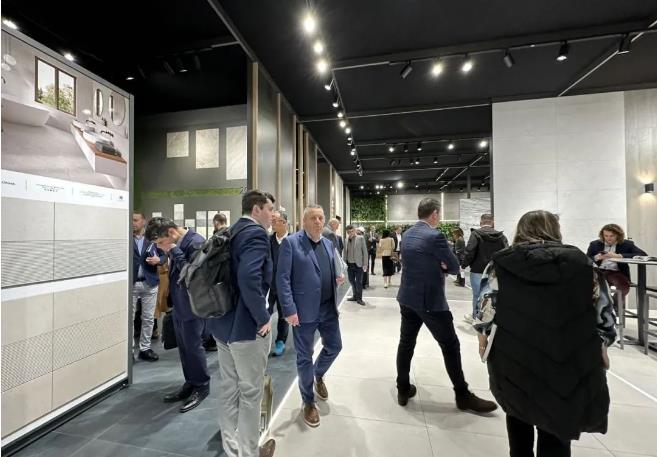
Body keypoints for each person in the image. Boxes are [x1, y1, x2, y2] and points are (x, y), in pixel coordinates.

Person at [474, 210, 616, 457]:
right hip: (567, 352)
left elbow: (486, 305)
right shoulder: (582, 262)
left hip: (514, 351)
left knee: (517, 414)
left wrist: (483, 336)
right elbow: (603, 309)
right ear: (555, 230)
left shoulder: (501, 262)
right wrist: (603, 341)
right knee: (559, 418)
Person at [396, 197, 497, 413]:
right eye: (439, 214)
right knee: (450, 345)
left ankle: (402, 388)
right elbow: (453, 266)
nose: (439, 218)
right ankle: (463, 395)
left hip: (407, 298)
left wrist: (437, 263)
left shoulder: (407, 234)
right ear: (434, 214)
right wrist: (441, 264)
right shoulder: (435, 236)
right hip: (430, 301)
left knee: (406, 343)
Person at [208, 190, 276, 457]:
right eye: (270, 209)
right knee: (250, 392)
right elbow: (249, 278)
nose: (273, 215)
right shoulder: (256, 234)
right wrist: (263, 316)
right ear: (257, 209)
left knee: (229, 388)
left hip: (222, 324)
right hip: (246, 328)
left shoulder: (232, 230)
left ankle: (232, 447)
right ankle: (248, 452)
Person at [277, 204, 345, 428]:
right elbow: (282, 279)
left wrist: (336, 278)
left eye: (321, 218)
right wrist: (289, 310)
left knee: (335, 347)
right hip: (303, 312)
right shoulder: (291, 243)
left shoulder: (328, 243)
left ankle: (317, 374)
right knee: (304, 356)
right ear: (304, 221)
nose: (318, 221)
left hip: (328, 309)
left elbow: (329, 269)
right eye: (313, 218)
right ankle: (308, 402)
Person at [146, 217, 209, 413]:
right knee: (184, 349)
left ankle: (202, 386)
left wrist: (173, 250)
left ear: (172, 232)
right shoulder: (178, 243)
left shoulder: (196, 242)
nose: (160, 247)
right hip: (180, 305)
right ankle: (190, 382)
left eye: (160, 243)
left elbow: (193, 275)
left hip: (192, 307)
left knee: (193, 348)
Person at [461, 214, 508, 323]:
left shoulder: (476, 234)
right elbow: (506, 253)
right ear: (493, 223)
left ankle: (476, 318)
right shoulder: (501, 236)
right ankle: (492, 320)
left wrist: (463, 265)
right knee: (493, 296)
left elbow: (469, 251)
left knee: (477, 295)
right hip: (494, 272)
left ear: (481, 222)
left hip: (477, 271)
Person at [586, 223, 647, 297]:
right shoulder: (594, 244)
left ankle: (614, 303)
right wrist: (596, 257)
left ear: (618, 235)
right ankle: (604, 303)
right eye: (606, 236)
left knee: (623, 287)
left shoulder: (627, 244)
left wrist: (619, 256)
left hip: (616, 272)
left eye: (612, 236)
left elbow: (643, 254)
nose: (608, 238)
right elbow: (586, 259)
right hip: (598, 271)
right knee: (590, 287)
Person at [132, 212, 161, 362]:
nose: (133, 223)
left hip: (149, 282)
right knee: (129, 319)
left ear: (143, 221)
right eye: (131, 220)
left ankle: (145, 348)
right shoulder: (125, 238)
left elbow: (164, 255)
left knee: (149, 318)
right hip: (131, 284)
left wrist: (158, 260)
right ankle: (129, 351)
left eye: (136, 220)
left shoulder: (153, 239)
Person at [269, 210, 290, 357]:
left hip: (285, 286)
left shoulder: (293, 241)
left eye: (275, 220)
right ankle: (263, 342)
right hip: (269, 286)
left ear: (284, 222)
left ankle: (280, 342)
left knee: (284, 315)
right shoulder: (268, 240)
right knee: (265, 313)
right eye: (272, 220)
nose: (272, 223)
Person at [343, 224, 368, 305]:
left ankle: (359, 298)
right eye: (348, 232)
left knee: (358, 282)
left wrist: (365, 264)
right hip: (349, 264)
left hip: (358, 264)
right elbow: (345, 252)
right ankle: (354, 296)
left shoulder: (360, 238)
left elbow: (365, 252)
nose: (350, 233)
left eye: (351, 231)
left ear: (354, 230)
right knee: (351, 280)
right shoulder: (346, 239)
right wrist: (344, 263)